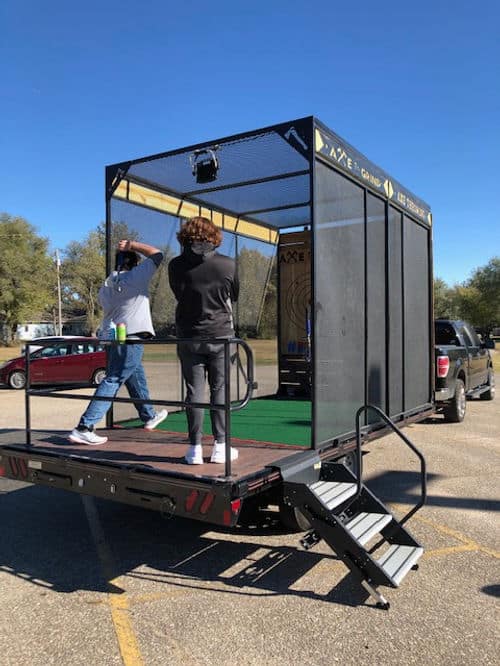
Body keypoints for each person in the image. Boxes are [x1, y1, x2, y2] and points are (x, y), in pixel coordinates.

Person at [68, 239, 168, 445]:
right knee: (114, 378)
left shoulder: (107, 283)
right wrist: (132, 244)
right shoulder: (136, 276)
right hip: (131, 336)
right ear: (134, 263)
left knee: (133, 374)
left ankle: (148, 415)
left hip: (114, 336)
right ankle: (84, 427)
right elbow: (158, 254)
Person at [168, 217, 239, 464]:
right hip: (221, 336)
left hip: (189, 336)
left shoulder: (175, 265)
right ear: (214, 237)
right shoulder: (227, 265)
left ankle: (194, 449)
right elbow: (235, 295)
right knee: (219, 390)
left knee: (194, 392)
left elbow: (179, 294)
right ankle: (221, 446)